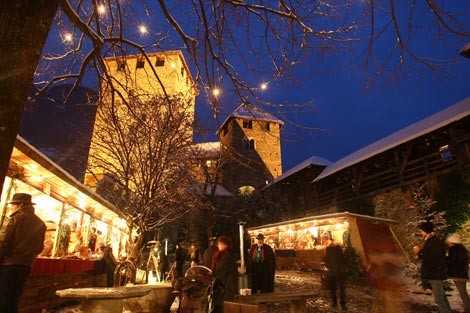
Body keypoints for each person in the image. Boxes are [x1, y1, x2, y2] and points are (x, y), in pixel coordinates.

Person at [0, 193, 46, 313]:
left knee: (4, 299)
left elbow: (4, 244)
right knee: (14, 298)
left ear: (20, 205)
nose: (11, 207)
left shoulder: (15, 219)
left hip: (9, 264)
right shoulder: (40, 223)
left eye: (13, 205)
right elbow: (40, 248)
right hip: (26, 266)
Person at [413, 222, 451, 313]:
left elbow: (433, 258)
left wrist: (419, 252)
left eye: (421, 231)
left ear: (426, 230)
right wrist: (420, 252)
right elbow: (430, 254)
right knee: (441, 296)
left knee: (439, 298)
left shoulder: (435, 241)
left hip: (435, 273)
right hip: (434, 272)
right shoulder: (431, 241)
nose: (421, 233)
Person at [212, 235, 238, 313]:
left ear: (224, 244)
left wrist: (212, 276)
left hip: (226, 288)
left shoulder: (227, 256)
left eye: (219, 244)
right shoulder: (224, 255)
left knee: (224, 308)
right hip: (225, 287)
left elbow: (220, 271)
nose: (218, 246)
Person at [446, 233, 470, 313]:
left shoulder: (454, 250)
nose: (448, 243)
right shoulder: (462, 249)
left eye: (449, 242)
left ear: (452, 242)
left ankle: (468, 309)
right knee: (463, 293)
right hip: (461, 274)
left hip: (458, 274)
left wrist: (446, 259)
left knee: (463, 293)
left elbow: (452, 261)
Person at [323, 234, 347, 310]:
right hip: (339, 269)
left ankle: (334, 302)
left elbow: (325, 260)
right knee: (341, 287)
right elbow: (342, 258)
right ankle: (343, 304)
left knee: (333, 287)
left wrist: (329, 267)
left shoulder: (328, 249)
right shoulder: (338, 248)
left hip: (332, 270)